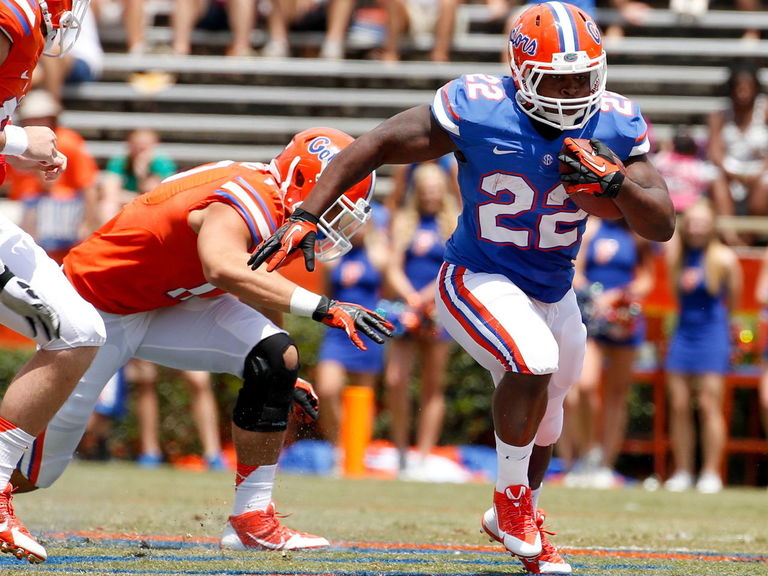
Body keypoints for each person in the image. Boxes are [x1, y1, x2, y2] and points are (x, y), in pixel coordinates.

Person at [247, 2, 675, 573]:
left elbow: (662, 223)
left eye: (583, 77)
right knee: (534, 360)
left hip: (553, 290)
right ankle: (511, 500)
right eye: (558, 79)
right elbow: (376, 143)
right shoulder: (481, 108)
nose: (573, 91)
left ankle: (518, 517)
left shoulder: (616, 123)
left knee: (550, 413)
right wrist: (305, 214)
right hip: (475, 275)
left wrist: (617, 181)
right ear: (521, 73)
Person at [10, 127, 393, 553]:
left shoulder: (279, 205)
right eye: (334, 197)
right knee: (32, 474)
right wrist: (326, 307)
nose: (333, 217)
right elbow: (222, 267)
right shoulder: (250, 194)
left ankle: (252, 521)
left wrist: (279, 376)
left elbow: (254, 276)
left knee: (275, 356)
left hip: (168, 303)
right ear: (303, 179)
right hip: (100, 311)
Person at [0, 0, 106, 564]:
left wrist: (14, 151)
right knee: (77, 329)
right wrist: (18, 143)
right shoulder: (10, 18)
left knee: (80, 329)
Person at [561, 217, 654, 489]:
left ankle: (605, 464)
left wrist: (619, 296)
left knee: (617, 393)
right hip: (591, 316)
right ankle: (586, 453)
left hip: (625, 318)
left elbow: (647, 277)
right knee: (585, 385)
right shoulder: (591, 229)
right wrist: (594, 294)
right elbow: (574, 268)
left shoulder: (638, 231)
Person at [382, 162, 458, 479]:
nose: (430, 196)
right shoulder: (404, 222)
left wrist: (427, 296)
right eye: (425, 190)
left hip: (438, 310)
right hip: (406, 310)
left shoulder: (454, 224)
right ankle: (401, 451)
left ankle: (424, 456)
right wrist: (411, 297)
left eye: (435, 190)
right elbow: (391, 267)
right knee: (396, 380)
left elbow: (452, 266)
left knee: (432, 384)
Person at [663, 198, 741, 495]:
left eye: (702, 222)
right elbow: (675, 294)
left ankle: (710, 472)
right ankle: (682, 470)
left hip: (713, 333)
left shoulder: (724, 258)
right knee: (679, 404)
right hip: (683, 331)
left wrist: (727, 335)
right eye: (692, 222)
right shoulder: (678, 256)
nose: (697, 227)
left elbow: (733, 302)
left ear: (712, 225)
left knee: (709, 404)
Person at [314, 212, 389, 469]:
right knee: (327, 388)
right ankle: (339, 448)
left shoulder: (379, 256)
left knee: (363, 396)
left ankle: (357, 453)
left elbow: (389, 293)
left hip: (367, 330)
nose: (356, 230)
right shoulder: (333, 259)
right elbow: (325, 294)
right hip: (337, 333)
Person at [8, 89, 100, 263]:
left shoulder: (68, 141)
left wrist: (89, 221)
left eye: (41, 117)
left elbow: (88, 184)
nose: (36, 122)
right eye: (32, 118)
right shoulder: (17, 143)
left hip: (61, 206)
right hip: (25, 207)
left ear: (52, 118)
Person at [707, 65, 768, 220]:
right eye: (739, 88)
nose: (743, 93)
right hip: (729, 170)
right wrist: (730, 173)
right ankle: (731, 238)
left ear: (756, 88)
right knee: (715, 179)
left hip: (761, 169)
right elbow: (714, 150)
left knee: (765, 184)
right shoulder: (719, 115)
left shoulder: (765, 111)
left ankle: (748, 238)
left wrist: (759, 172)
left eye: (747, 88)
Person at [380, 0, 461, 63]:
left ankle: (440, 55)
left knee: (449, 3)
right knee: (394, 2)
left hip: (438, 14)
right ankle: (390, 53)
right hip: (408, 14)